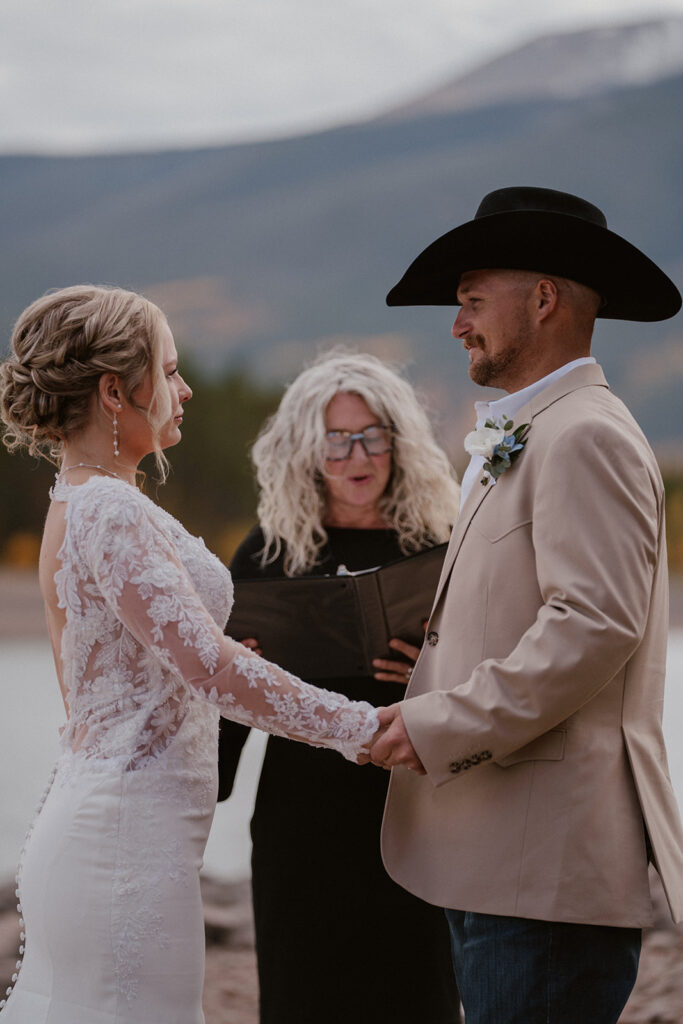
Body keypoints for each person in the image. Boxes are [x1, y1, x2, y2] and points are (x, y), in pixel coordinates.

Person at [0, 286, 383, 1024]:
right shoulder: (109, 508)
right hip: (123, 840)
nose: (185, 389)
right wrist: (361, 729)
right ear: (116, 391)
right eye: (168, 371)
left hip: (116, 823)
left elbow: (166, 665)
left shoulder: (81, 498)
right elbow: (208, 669)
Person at [370, 186, 683, 1024]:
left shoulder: (584, 434)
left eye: (471, 301)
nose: (456, 323)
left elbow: (592, 625)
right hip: (500, 853)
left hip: (543, 873)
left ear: (542, 300)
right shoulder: (536, 429)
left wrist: (440, 723)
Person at [218, 350, 462, 1024]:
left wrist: (432, 671)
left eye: (371, 435)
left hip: (414, 814)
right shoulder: (269, 552)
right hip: (301, 819)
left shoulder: (438, 545)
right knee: (305, 997)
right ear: (304, 451)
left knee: (418, 997)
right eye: (335, 439)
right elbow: (224, 704)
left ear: (398, 441)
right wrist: (240, 677)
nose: (357, 454)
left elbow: (487, 679)